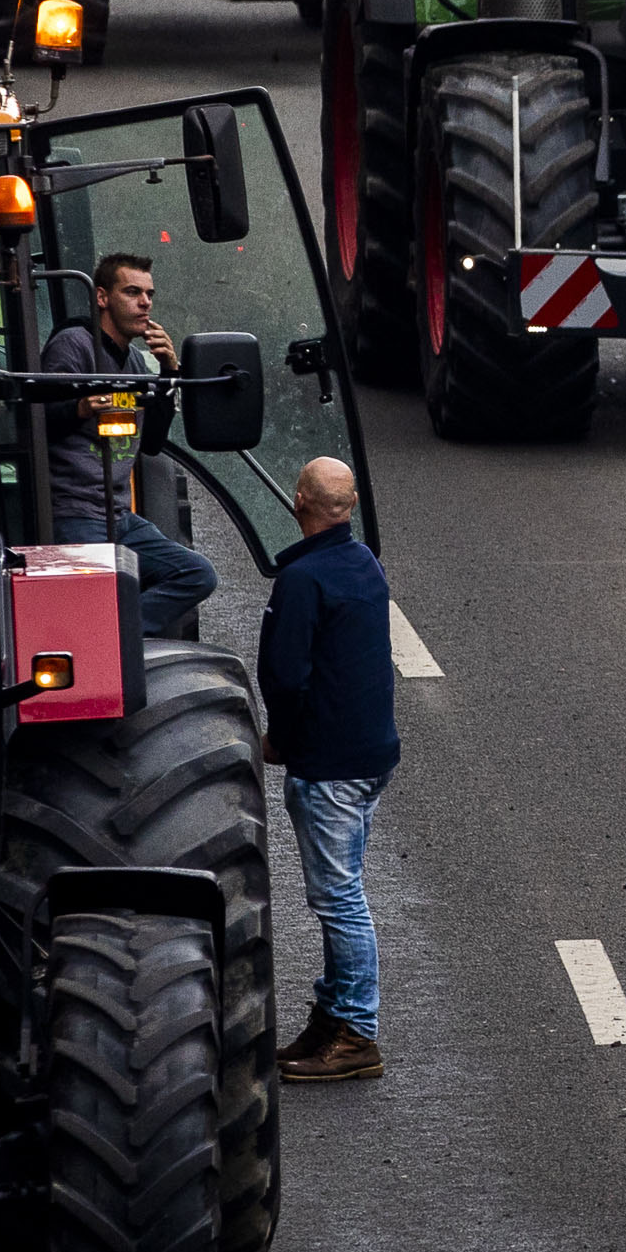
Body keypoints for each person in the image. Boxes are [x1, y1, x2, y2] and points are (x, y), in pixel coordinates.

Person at [258, 456, 396, 1082]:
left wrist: (280, 740)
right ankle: (331, 1019)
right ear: (348, 507)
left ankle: (358, 1034)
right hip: (368, 756)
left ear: (298, 502)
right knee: (340, 894)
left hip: (330, 764)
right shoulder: (364, 563)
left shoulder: (302, 580)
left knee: (340, 900)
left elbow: (287, 678)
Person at [35, 251, 218, 641]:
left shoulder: (136, 363)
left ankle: (106, 636)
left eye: (149, 294)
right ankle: (97, 640)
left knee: (197, 574)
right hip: (73, 512)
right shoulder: (74, 346)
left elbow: (151, 443)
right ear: (102, 297)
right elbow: (36, 420)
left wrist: (170, 372)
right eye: (132, 292)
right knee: (99, 593)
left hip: (118, 516)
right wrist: (81, 406)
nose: (145, 303)